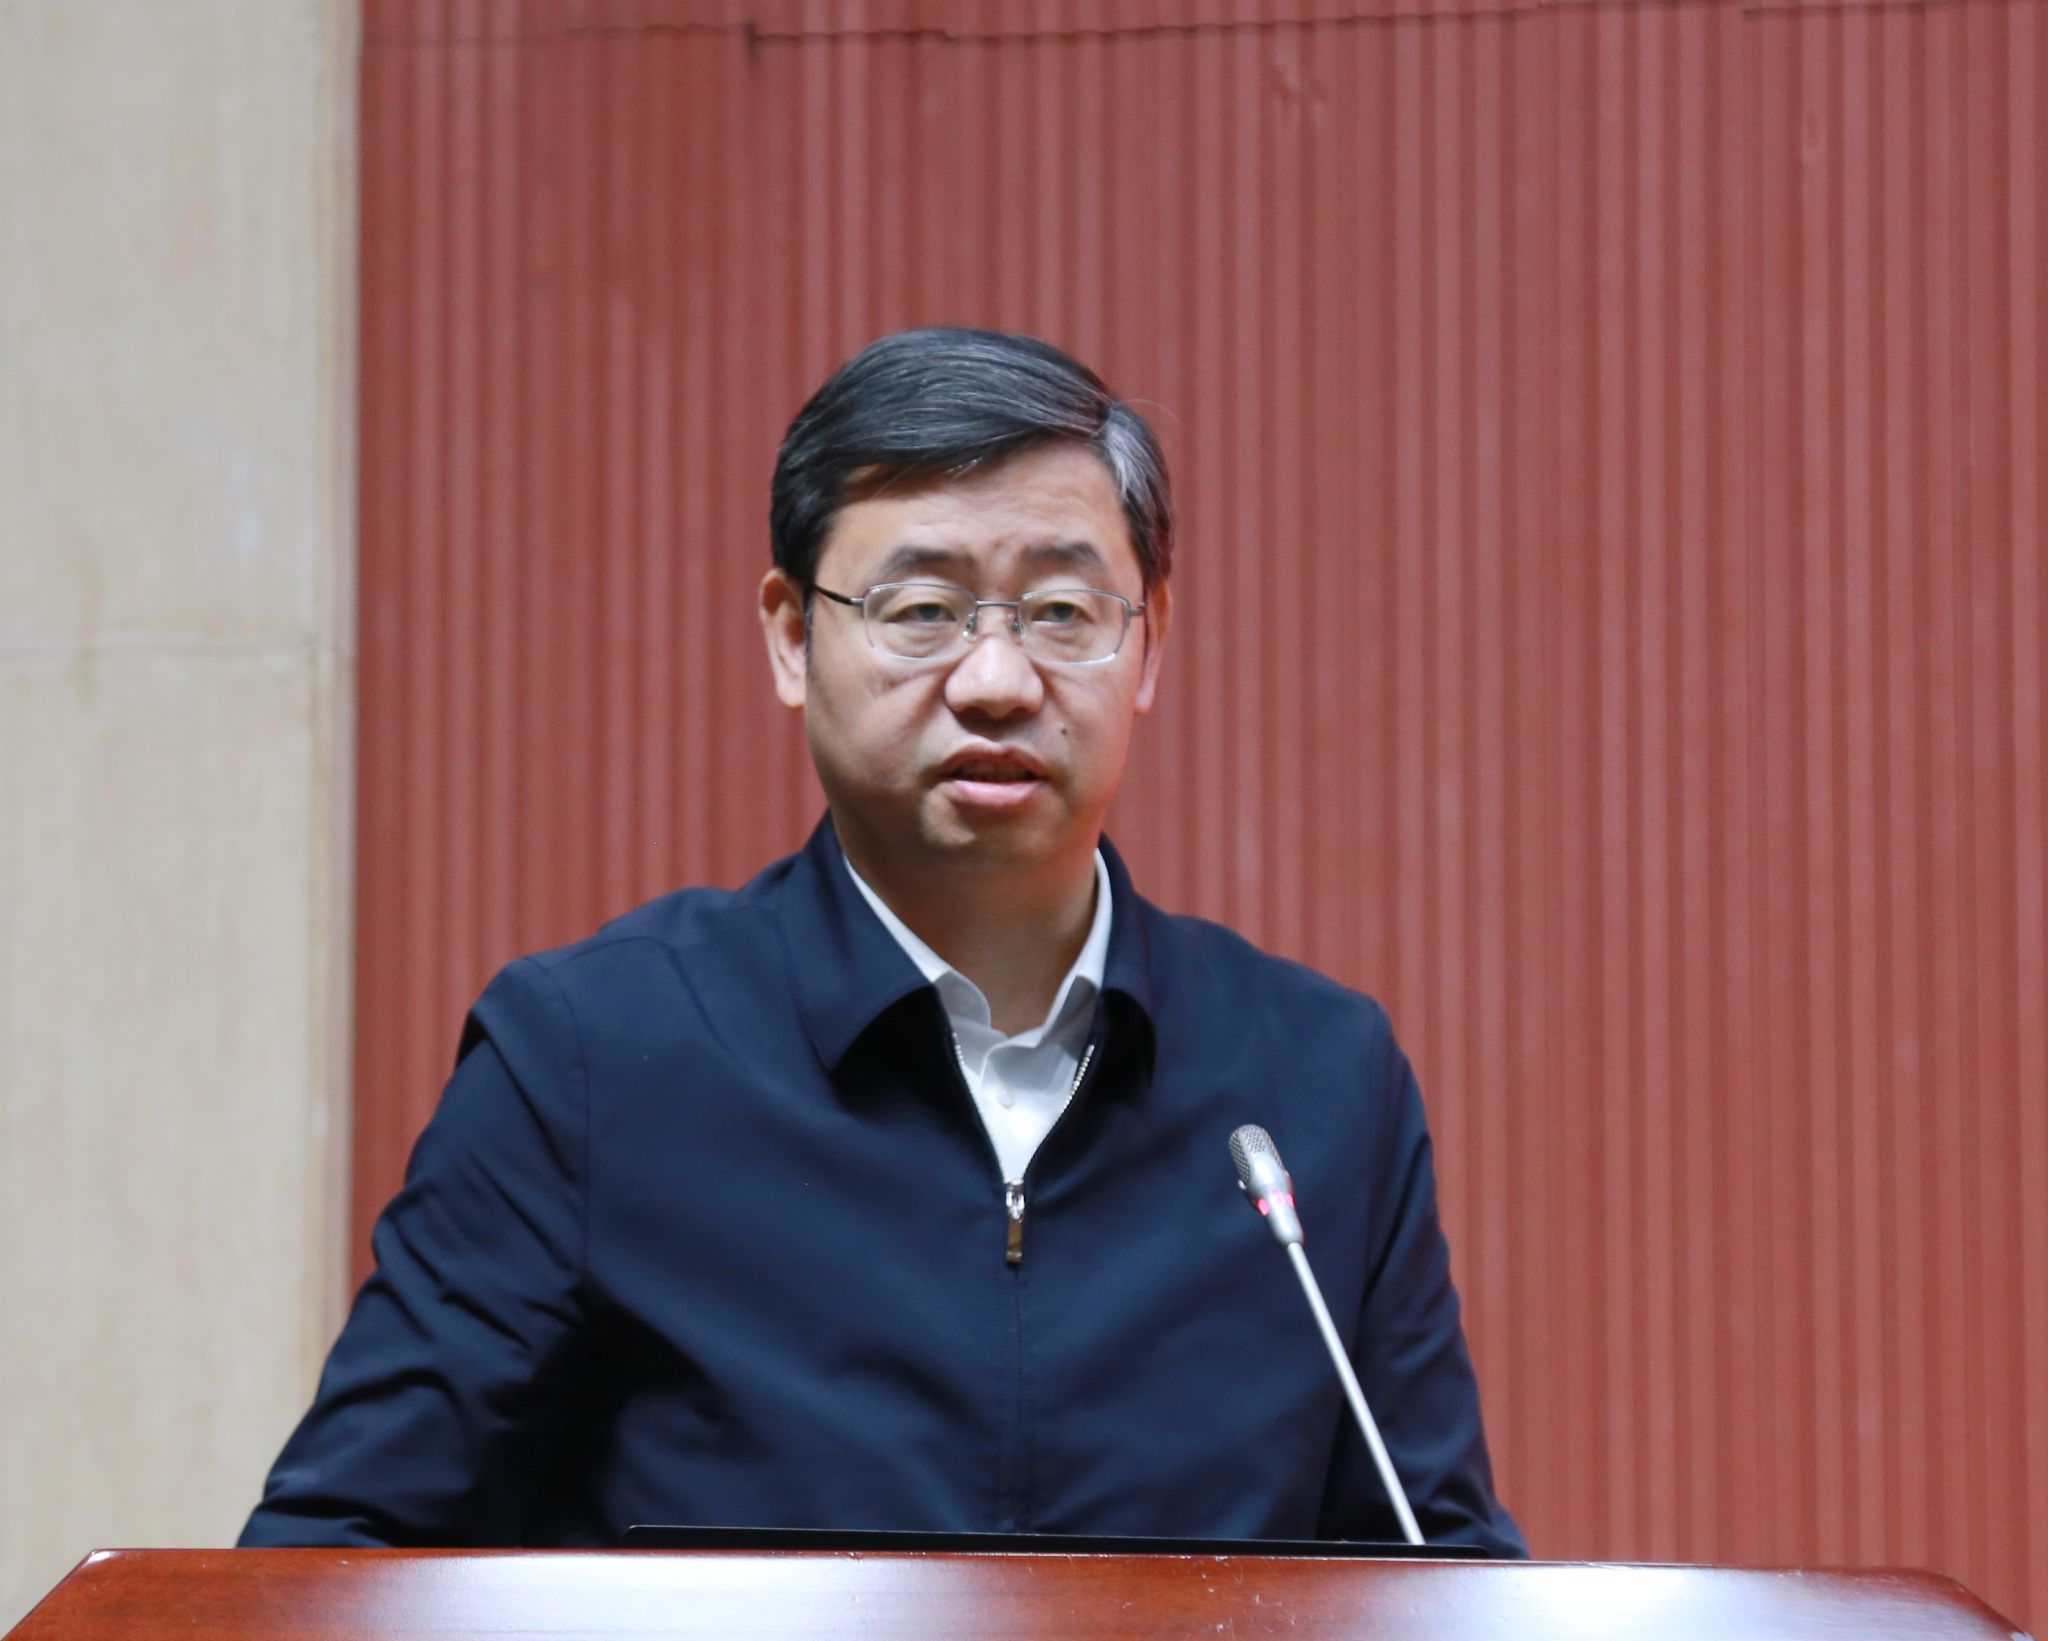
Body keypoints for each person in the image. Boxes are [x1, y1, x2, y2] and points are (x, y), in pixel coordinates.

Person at [240, 327, 1523, 1555]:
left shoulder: (1313, 1082)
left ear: (1147, 648)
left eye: (1062, 612)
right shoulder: (590, 1060)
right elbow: (337, 1563)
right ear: (792, 637)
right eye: (922, 610)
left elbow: (1443, 1593)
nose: (995, 681)